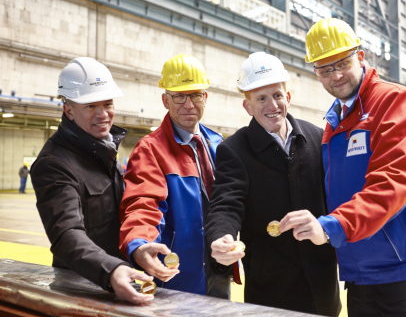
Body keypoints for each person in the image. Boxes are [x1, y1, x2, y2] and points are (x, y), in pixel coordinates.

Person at [279, 18, 406, 317]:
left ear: (360, 56)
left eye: (342, 62)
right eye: (325, 68)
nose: (336, 74)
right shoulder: (334, 121)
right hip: (358, 271)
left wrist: (333, 227)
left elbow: (391, 183)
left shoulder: (394, 102)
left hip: (404, 270)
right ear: (316, 72)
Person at [205, 52, 341, 316]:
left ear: (288, 97)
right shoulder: (235, 150)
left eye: (277, 95)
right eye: (261, 98)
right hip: (271, 288)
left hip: (321, 282)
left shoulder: (317, 137)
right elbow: (226, 205)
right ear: (248, 106)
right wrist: (222, 236)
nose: (272, 105)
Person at [30, 57, 160, 305]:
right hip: (82, 290)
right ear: (68, 109)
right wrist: (110, 270)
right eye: (90, 106)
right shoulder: (54, 164)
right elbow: (67, 234)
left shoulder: (103, 150)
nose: (103, 114)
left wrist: (137, 247)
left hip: (120, 282)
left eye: (108, 103)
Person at [119, 54, 229, 298]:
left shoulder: (217, 144)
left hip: (219, 269)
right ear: (165, 100)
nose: (188, 104)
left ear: (205, 98)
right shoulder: (150, 149)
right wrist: (139, 243)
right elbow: (143, 203)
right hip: (179, 274)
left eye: (195, 95)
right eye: (179, 96)